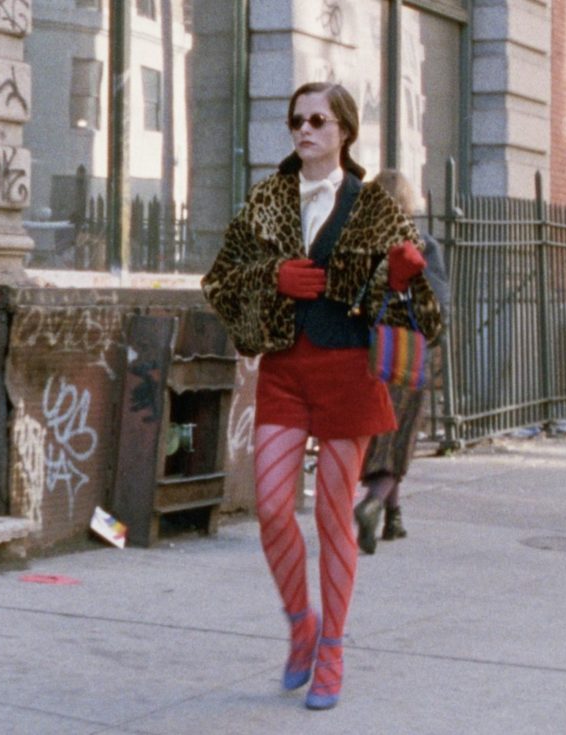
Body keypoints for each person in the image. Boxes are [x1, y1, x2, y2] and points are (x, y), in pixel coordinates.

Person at [201, 82, 442, 710]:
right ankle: (300, 623)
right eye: (296, 121)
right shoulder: (268, 199)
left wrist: (397, 278)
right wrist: (271, 275)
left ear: (344, 131)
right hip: (284, 370)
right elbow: (219, 281)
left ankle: (331, 649)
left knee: (336, 516)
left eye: (317, 121)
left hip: (346, 372)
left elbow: (426, 309)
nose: (304, 131)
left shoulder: (374, 207)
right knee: (274, 505)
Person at [354, 169, 451, 555]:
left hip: (368, 353)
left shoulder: (361, 244)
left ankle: (393, 519)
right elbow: (439, 307)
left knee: (379, 436)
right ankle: (374, 503)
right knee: (401, 436)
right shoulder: (423, 246)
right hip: (409, 355)